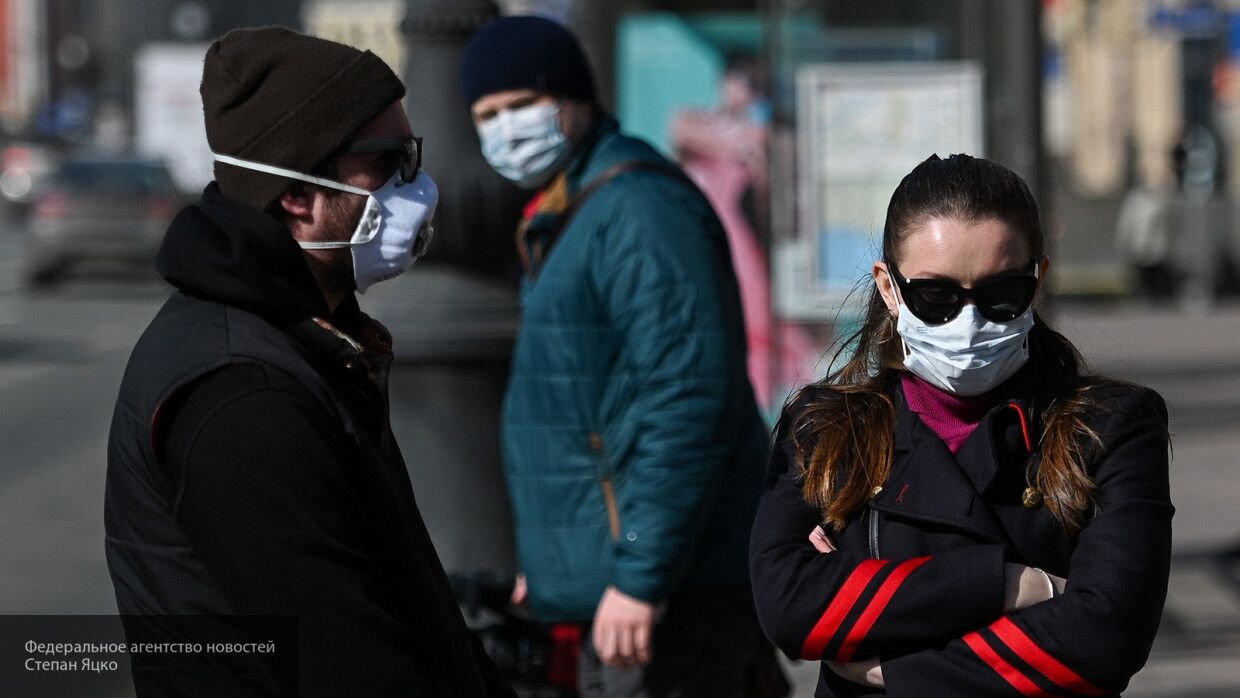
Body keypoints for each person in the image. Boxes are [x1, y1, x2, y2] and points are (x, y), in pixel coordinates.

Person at [105, 27, 514, 697]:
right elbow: (350, 661)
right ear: (298, 196)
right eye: (389, 163)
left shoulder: (310, 336)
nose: (418, 185)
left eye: (415, 157)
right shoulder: (244, 392)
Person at [750, 154, 1173, 696]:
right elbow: (789, 605)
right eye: (936, 297)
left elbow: (1108, 634)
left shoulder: (1111, 427)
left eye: (1001, 296)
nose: (968, 322)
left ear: (1037, 280)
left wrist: (894, 667)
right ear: (889, 288)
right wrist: (1015, 584)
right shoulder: (827, 428)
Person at [459, 15, 782, 698]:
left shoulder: (637, 210)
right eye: (488, 114)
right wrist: (553, 568)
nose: (506, 127)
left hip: (668, 592)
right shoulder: (575, 211)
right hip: (627, 585)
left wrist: (640, 575)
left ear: (576, 98)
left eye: (523, 104)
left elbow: (687, 399)